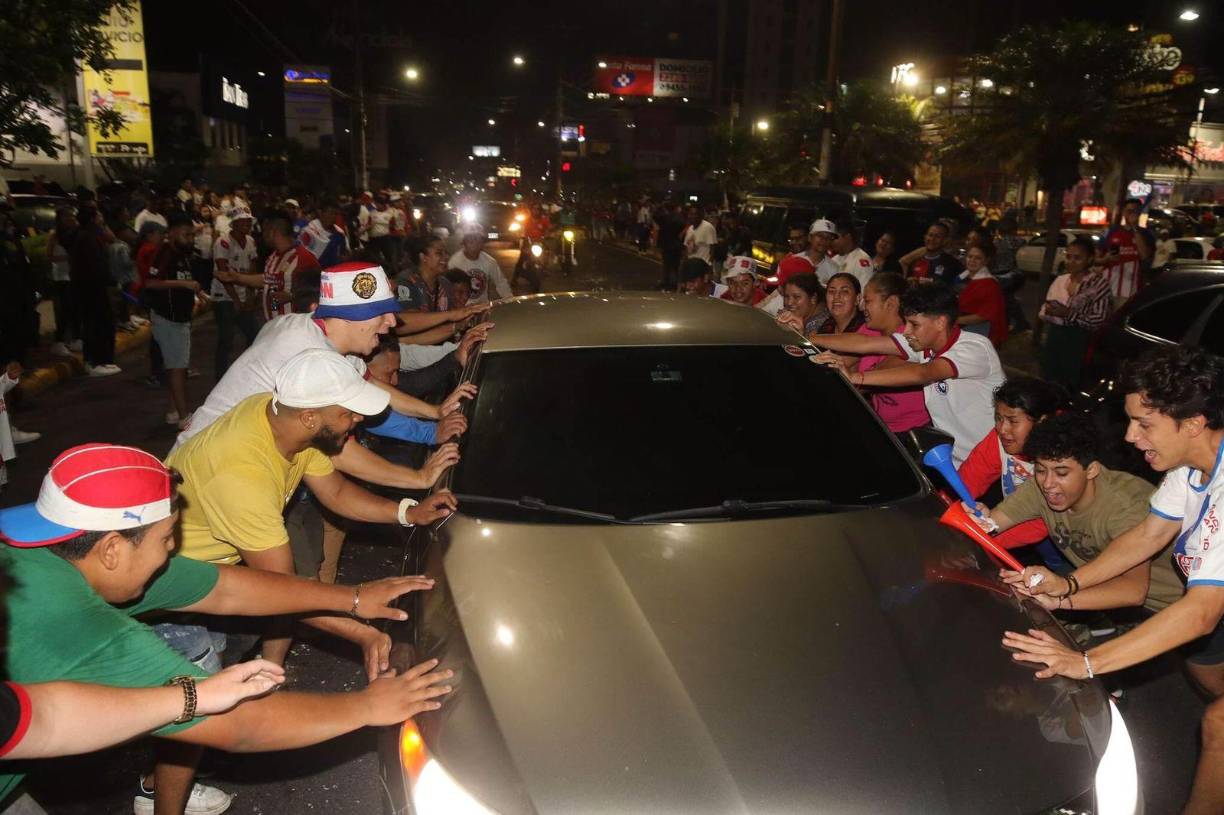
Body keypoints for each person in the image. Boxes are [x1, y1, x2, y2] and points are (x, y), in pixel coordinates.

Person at [0, 442, 453, 815]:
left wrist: (352, 598)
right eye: (166, 538)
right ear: (113, 549)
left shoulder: (49, 552)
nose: (173, 550)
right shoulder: (84, 628)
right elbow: (237, 726)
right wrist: (366, 707)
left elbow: (225, 589)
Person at [1001, 346, 1224, 814]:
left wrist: (1084, 662)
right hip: (1210, 606)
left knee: (1219, 725)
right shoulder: (1191, 468)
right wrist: (1066, 586)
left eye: (1144, 424)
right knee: (1207, 677)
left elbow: (1200, 613)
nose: (1130, 435)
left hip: (1208, 606)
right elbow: (1146, 536)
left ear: (1193, 422)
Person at [165, 348, 459, 669]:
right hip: (168, 597)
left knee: (222, 654)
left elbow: (336, 491)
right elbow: (281, 589)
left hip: (212, 575)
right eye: (348, 413)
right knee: (206, 702)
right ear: (309, 418)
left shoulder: (279, 420)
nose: (358, 419)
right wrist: (360, 628)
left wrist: (408, 513)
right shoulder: (241, 475)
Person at [971, 412, 1182, 615]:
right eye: (1041, 470)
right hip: (1116, 599)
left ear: (1091, 470)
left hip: (1176, 606)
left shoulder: (1125, 506)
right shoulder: (1041, 488)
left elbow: (1133, 591)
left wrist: (1060, 597)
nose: (1048, 484)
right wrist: (976, 519)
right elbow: (990, 525)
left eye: (1062, 473)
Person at [809, 282, 1005, 464]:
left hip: (992, 459)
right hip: (954, 458)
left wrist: (855, 377)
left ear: (940, 322)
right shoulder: (923, 345)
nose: (907, 331)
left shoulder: (974, 348)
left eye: (914, 324)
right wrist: (807, 337)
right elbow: (865, 342)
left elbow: (925, 373)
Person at [957, 378, 1066, 552]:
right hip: (1015, 521)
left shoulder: (1061, 460)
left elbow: (1040, 522)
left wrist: (979, 541)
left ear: (1042, 422)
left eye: (1013, 421)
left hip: (1061, 528)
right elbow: (968, 480)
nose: (1002, 429)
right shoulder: (999, 439)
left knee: (1060, 560)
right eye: (998, 418)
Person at [852, 273, 930, 433]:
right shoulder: (868, 329)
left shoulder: (912, 338)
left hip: (915, 430)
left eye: (867, 301)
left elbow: (866, 382)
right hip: (882, 425)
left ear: (891, 303)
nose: (862, 307)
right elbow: (845, 358)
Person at [146, 213, 203, 429]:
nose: (190, 239)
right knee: (178, 369)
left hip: (179, 319)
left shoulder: (183, 255)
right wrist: (185, 285)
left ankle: (172, 412)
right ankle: (184, 417)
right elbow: (150, 283)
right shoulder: (164, 253)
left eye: (191, 235)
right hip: (168, 319)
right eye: (186, 235)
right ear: (172, 234)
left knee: (177, 367)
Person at [1038, 235, 1113, 390]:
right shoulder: (1061, 280)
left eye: (1077, 258)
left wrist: (1068, 314)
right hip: (1055, 336)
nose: (1071, 262)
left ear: (1090, 259)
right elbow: (1045, 310)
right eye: (1069, 257)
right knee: (1049, 378)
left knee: (1070, 384)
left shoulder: (1098, 285)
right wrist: (1051, 311)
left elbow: (1098, 320)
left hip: (1078, 340)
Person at [69, 206, 121, 377]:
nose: (101, 217)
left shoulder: (91, 235)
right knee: (96, 324)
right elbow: (92, 266)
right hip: (91, 288)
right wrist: (107, 280)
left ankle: (102, 360)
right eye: (99, 214)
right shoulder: (86, 237)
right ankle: (96, 361)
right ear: (92, 219)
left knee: (102, 323)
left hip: (95, 287)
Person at [210, 209, 260, 380]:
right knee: (226, 338)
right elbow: (223, 272)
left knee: (254, 335)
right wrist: (237, 300)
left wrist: (249, 294)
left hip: (243, 293)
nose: (247, 225)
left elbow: (253, 267)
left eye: (249, 222)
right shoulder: (223, 242)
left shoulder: (251, 240)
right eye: (243, 222)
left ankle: (248, 372)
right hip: (224, 296)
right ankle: (220, 376)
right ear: (234, 224)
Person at [1098, 198, 1153, 304]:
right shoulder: (1112, 231)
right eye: (1129, 211)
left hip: (1131, 290)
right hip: (1107, 288)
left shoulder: (1145, 234)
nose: (1132, 214)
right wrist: (1106, 259)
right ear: (1123, 212)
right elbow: (1096, 258)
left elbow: (1145, 256)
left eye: (1135, 211)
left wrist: (1135, 228)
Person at [956, 243, 1008, 347]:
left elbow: (984, 315)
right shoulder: (960, 278)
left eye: (978, 258)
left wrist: (953, 320)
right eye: (970, 256)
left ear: (986, 261)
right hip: (959, 324)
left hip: (976, 328)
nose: (972, 261)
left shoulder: (990, 284)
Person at [447, 223, 512, 304]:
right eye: (470, 238)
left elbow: (501, 283)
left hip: (482, 308)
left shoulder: (489, 261)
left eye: (477, 238)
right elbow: (448, 289)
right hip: (461, 308)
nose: (474, 242)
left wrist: (510, 301)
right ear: (464, 242)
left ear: (483, 242)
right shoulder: (454, 262)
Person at [46, 208, 80, 358]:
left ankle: (75, 338)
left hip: (74, 275)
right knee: (64, 309)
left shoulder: (75, 233)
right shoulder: (54, 235)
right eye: (67, 216)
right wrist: (68, 258)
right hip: (61, 275)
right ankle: (58, 341)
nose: (70, 218)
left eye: (72, 216)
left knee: (75, 308)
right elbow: (49, 256)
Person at [299, 201, 350, 268]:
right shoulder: (308, 232)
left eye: (335, 214)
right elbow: (300, 256)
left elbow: (344, 254)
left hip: (333, 274)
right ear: (320, 213)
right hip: (312, 275)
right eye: (330, 213)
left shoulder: (339, 234)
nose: (333, 216)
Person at [654, 201, 687, 290]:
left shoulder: (664, 217)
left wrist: (659, 207)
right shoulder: (679, 218)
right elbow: (684, 227)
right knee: (676, 265)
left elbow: (655, 216)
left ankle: (666, 281)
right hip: (676, 243)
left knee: (666, 264)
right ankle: (675, 282)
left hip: (666, 243)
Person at [831, 223, 874, 290]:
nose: (832, 241)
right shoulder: (834, 259)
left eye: (836, 238)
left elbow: (864, 290)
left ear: (848, 237)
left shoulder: (862, 259)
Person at [805, 219, 841, 284]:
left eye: (829, 237)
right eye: (820, 236)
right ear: (810, 237)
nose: (824, 240)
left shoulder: (834, 269)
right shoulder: (794, 260)